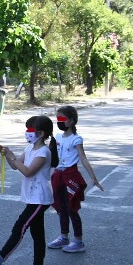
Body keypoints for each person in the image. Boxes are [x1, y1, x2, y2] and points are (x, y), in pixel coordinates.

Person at [0, 116, 58, 265]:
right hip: (32, 197)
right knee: (38, 235)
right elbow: (15, 166)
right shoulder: (29, 149)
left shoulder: (44, 152)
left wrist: (12, 156)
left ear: (41, 133)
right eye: (27, 129)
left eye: (31, 130)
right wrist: (7, 154)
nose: (27, 133)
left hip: (40, 199)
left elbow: (28, 171)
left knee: (20, 227)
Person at [48, 105, 103, 253]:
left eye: (62, 119)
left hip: (71, 176)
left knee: (72, 208)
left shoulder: (76, 139)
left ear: (71, 121)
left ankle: (78, 241)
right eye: (57, 119)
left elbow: (83, 158)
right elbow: (51, 156)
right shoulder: (57, 137)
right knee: (61, 208)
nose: (59, 122)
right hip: (58, 176)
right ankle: (63, 237)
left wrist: (94, 178)